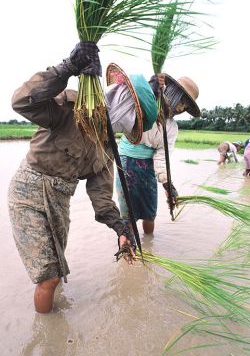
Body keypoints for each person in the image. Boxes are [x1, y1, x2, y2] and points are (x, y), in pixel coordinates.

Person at [8, 42, 154, 314]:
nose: (128, 127)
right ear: (124, 102)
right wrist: (68, 67)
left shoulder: (107, 149)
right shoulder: (71, 106)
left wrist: (121, 230)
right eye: (132, 120)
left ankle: (52, 320)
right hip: (28, 191)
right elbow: (21, 101)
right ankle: (47, 340)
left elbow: (101, 198)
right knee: (48, 276)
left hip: (60, 199)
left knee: (57, 271)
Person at [112, 68, 200, 235]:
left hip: (148, 168)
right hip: (126, 162)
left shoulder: (172, 127)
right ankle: (130, 249)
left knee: (149, 212)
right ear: (171, 92)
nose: (181, 108)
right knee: (128, 215)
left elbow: (162, 157)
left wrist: (168, 184)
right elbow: (132, 86)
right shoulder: (146, 101)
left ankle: (149, 245)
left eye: (185, 106)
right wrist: (151, 86)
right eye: (181, 101)